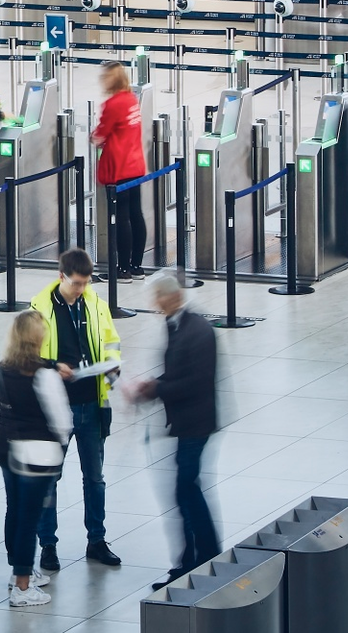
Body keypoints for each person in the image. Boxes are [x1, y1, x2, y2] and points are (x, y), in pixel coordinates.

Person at [126, 270, 220, 586]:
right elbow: (178, 374)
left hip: (196, 424)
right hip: (186, 423)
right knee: (187, 490)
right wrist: (151, 387)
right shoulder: (178, 325)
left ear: (173, 297)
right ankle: (197, 558)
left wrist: (155, 389)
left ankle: (200, 559)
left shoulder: (198, 332)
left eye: (159, 298)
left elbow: (196, 381)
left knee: (185, 489)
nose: (155, 305)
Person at [33, 248, 124, 572]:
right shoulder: (40, 308)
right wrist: (52, 366)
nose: (81, 289)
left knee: (95, 478)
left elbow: (111, 342)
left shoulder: (96, 305)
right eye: (76, 283)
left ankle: (96, 540)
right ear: (61, 277)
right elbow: (25, 356)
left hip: (91, 402)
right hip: (57, 407)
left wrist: (112, 368)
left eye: (85, 283)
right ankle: (48, 545)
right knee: (49, 479)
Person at [0, 309, 73, 606]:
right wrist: (62, 445)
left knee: (14, 509)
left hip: (6, 446)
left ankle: (17, 572)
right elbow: (61, 420)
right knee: (30, 516)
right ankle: (24, 587)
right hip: (37, 453)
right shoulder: (44, 377)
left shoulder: (1, 368)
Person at [92, 62, 149, 278]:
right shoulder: (131, 100)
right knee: (136, 214)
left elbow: (100, 134)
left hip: (119, 167)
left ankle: (122, 269)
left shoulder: (113, 104)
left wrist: (94, 137)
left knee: (121, 217)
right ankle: (136, 266)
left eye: (105, 77)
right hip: (135, 164)